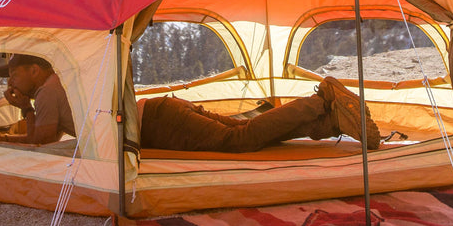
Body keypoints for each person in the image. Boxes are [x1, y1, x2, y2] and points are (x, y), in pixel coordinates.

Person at [138, 76, 382, 153]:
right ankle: (329, 120)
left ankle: (320, 102)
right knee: (244, 130)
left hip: (156, 122)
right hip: (160, 114)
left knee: (240, 138)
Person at [0, 54, 75, 146]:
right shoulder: (57, 82)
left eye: (14, 75)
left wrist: (26, 108)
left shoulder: (47, 91)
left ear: (34, 71)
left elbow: (40, 143)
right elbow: (44, 138)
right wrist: (1, 138)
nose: (10, 83)